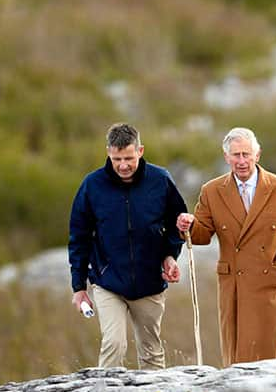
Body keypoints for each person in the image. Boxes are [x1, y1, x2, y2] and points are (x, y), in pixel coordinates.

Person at [176, 127, 276, 367]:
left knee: (266, 358)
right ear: (226, 157)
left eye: (246, 154)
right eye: (235, 155)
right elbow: (202, 235)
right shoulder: (212, 191)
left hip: (271, 284)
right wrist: (188, 224)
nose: (241, 161)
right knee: (236, 358)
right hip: (233, 285)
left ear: (257, 155)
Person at [69, 123, 188, 369]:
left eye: (129, 158)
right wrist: (78, 287)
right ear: (108, 153)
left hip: (150, 282)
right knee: (114, 344)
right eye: (116, 159)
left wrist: (170, 255)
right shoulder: (92, 185)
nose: (123, 165)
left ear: (140, 151)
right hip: (108, 281)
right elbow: (78, 237)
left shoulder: (161, 180)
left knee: (151, 350)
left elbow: (177, 223)